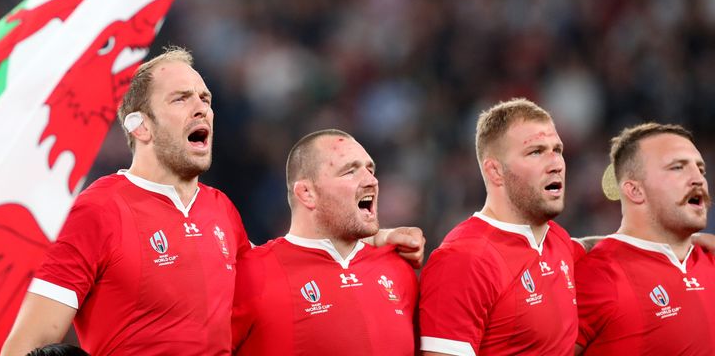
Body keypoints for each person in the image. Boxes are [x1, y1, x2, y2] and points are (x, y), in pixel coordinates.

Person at [1, 48, 425, 355]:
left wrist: (376, 238)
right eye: (181, 99)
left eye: (205, 98)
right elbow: (27, 345)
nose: (202, 108)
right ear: (141, 128)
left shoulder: (221, 209)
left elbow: (283, 266)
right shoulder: (99, 210)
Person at [231, 129, 418, 355]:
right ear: (307, 193)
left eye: (370, 169)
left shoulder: (398, 270)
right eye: (350, 171)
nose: (371, 181)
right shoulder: (250, 273)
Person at [419, 98, 580, 356]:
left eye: (557, 150)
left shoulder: (558, 239)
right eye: (536, 152)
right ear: (495, 171)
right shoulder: (465, 258)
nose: (556, 163)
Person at [575, 123, 715, 355]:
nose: (698, 179)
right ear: (635, 191)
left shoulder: (709, 259)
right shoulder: (596, 274)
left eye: (701, 169)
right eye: (677, 167)